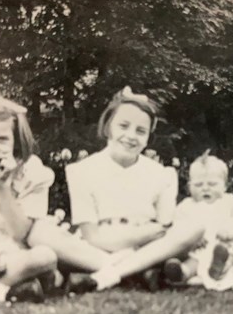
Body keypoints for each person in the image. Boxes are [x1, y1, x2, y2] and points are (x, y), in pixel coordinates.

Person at [0, 94, 120, 302]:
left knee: (44, 256)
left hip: (17, 256)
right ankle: (1, 290)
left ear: (15, 141)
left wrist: (4, 188)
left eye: (2, 139)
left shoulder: (32, 173)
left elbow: (21, 233)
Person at [65, 86, 203, 290]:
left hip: (147, 246)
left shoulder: (161, 174)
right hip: (101, 246)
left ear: (148, 137)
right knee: (44, 234)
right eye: (123, 126)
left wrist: (150, 235)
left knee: (194, 228)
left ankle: (108, 276)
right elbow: (91, 236)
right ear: (108, 127)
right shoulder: (81, 171)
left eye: (141, 131)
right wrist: (143, 236)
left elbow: (164, 227)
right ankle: (140, 271)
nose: (131, 136)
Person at [163, 151, 233, 291]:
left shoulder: (232, 202)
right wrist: (191, 238)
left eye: (212, 184)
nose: (205, 188)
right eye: (198, 185)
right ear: (190, 187)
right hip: (200, 247)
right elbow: (178, 225)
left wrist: (229, 231)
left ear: (225, 185)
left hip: (227, 245)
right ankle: (181, 272)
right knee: (194, 261)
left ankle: (220, 268)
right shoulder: (186, 206)